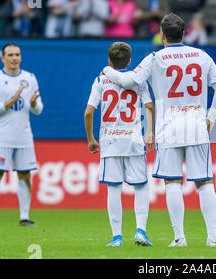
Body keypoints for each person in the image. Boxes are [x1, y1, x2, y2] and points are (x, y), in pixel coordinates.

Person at [102, 13, 216, 247]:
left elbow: (130, 81)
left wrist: (107, 71)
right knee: (205, 182)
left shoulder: (155, 58)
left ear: (162, 35)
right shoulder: (201, 55)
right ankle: (213, 236)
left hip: (168, 127)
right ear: (183, 33)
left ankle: (179, 237)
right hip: (196, 126)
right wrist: (211, 116)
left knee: (173, 182)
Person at [84, 42, 155, 247]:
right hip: (133, 139)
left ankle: (117, 238)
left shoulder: (100, 81)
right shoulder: (139, 81)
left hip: (110, 140)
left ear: (109, 61)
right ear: (130, 61)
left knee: (114, 188)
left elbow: (89, 112)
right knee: (141, 185)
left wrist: (90, 139)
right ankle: (140, 231)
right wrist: (149, 132)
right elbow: (149, 106)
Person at [0, 43, 43, 227]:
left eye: (17, 54)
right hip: (2, 137)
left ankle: (24, 217)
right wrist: (12, 100)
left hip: (24, 137)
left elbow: (39, 110)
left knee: (25, 175)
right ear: (2, 58)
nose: (14, 58)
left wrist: (33, 104)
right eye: (10, 55)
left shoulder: (30, 78)